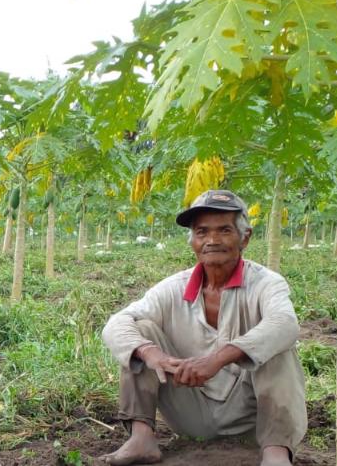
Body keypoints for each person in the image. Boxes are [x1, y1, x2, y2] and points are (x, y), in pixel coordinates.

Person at [99, 190, 306, 466]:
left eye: (224, 230)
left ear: (245, 237)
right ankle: (141, 438)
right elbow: (116, 323)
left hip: (252, 416)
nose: (212, 240)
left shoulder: (266, 283)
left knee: (277, 345)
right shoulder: (173, 287)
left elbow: (286, 323)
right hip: (190, 410)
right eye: (202, 232)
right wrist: (151, 353)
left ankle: (276, 453)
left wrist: (217, 359)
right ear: (192, 241)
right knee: (140, 331)